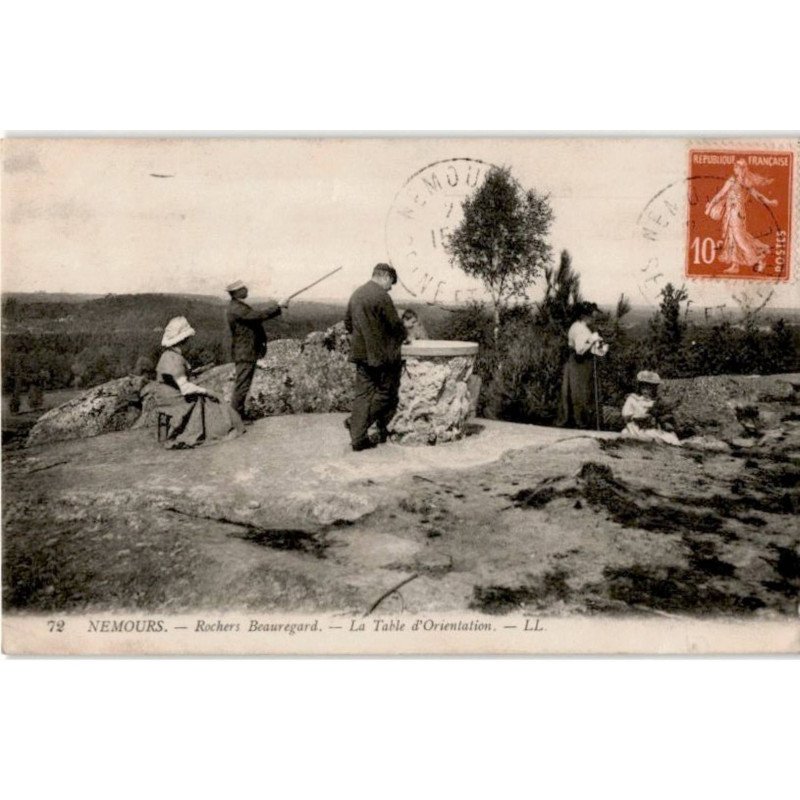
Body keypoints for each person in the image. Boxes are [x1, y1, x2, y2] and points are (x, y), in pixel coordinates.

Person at [155, 316, 245, 448]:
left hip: (163, 396)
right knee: (213, 402)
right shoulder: (174, 359)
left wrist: (200, 370)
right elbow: (185, 387)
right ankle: (219, 428)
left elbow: (177, 377)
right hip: (175, 399)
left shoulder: (168, 355)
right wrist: (208, 392)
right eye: (188, 341)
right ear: (183, 341)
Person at [344, 263, 407, 451]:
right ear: (385, 277)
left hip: (360, 354)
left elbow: (348, 323)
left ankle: (357, 436)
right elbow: (395, 325)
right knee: (386, 393)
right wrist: (403, 337)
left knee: (362, 394)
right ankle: (358, 424)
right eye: (391, 283)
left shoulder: (356, 294)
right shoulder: (382, 296)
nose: (390, 287)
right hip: (381, 356)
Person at [226, 280, 289, 419]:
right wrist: (278, 306)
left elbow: (255, 315)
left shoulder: (237, 306)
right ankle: (235, 418)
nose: (247, 290)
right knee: (242, 386)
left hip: (245, 351)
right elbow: (257, 316)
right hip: (245, 352)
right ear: (236, 292)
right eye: (243, 288)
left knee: (243, 385)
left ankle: (238, 416)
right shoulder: (237, 308)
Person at [704, 158, 779, 274]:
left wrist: (769, 202)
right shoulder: (732, 181)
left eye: (738, 167)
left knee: (739, 238)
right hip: (731, 212)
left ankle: (759, 260)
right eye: (736, 167)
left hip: (736, 213)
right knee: (731, 238)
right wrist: (711, 206)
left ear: (742, 169)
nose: (736, 169)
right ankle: (735, 265)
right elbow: (721, 195)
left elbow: (757, 196)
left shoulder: (745, 183)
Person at [556, 301, 608, 429]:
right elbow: (580, 350)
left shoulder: (585, 328)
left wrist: (600, 345)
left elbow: (599, 350)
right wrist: (592, 339)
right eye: (593, 314)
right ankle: (580, 423)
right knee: (580, 393)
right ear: (585, 315)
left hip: (585, 363)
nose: (595, 317)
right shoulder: (579, 329)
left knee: (586, 393)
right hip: (579, 364)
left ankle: (586, 423)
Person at [621, 370, 681, 446]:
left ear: (654, 389)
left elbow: (662, 417)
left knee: (671, 438)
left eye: (649, 388)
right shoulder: (633, 399)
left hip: (651, 428)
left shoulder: (655, 401)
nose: (646, 391)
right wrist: (638, 417)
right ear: (640, 387)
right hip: (635, 427)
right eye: (644, 388)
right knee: (629, 435)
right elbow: (625, 415)